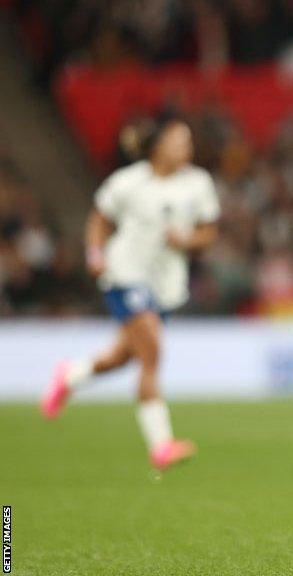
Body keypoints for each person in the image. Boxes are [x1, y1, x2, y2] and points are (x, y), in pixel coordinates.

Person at [40, 118, 220, 472]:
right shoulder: (127, 182)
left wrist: (187, 241)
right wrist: (95, 253)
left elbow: (208, 234)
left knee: (123, 357)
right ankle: (161, 446)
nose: (188, 148)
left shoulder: (198, 183)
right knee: (151, 352)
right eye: (179, 141)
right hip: (126, 274)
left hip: (167, 285)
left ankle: (70, 376)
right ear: (157, 147)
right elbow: (99, 220)